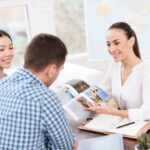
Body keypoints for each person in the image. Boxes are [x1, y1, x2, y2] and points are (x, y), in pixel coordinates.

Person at [0, 33, 75, 149]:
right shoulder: (45, 98)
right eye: (60, 69)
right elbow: (67, 146)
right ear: (52, 70)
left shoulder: (3, 84)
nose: (8, 53)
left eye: (10, 48)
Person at [85, 22, 150, 121]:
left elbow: (147, 112)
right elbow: (102, 90)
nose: (111, 49)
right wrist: (82, 98)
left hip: (143, 129)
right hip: (123, 124)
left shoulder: (146, 70)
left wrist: (110, 111)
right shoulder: (114, 65)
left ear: (131, 41)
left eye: (116, 43)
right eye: (108, 44)